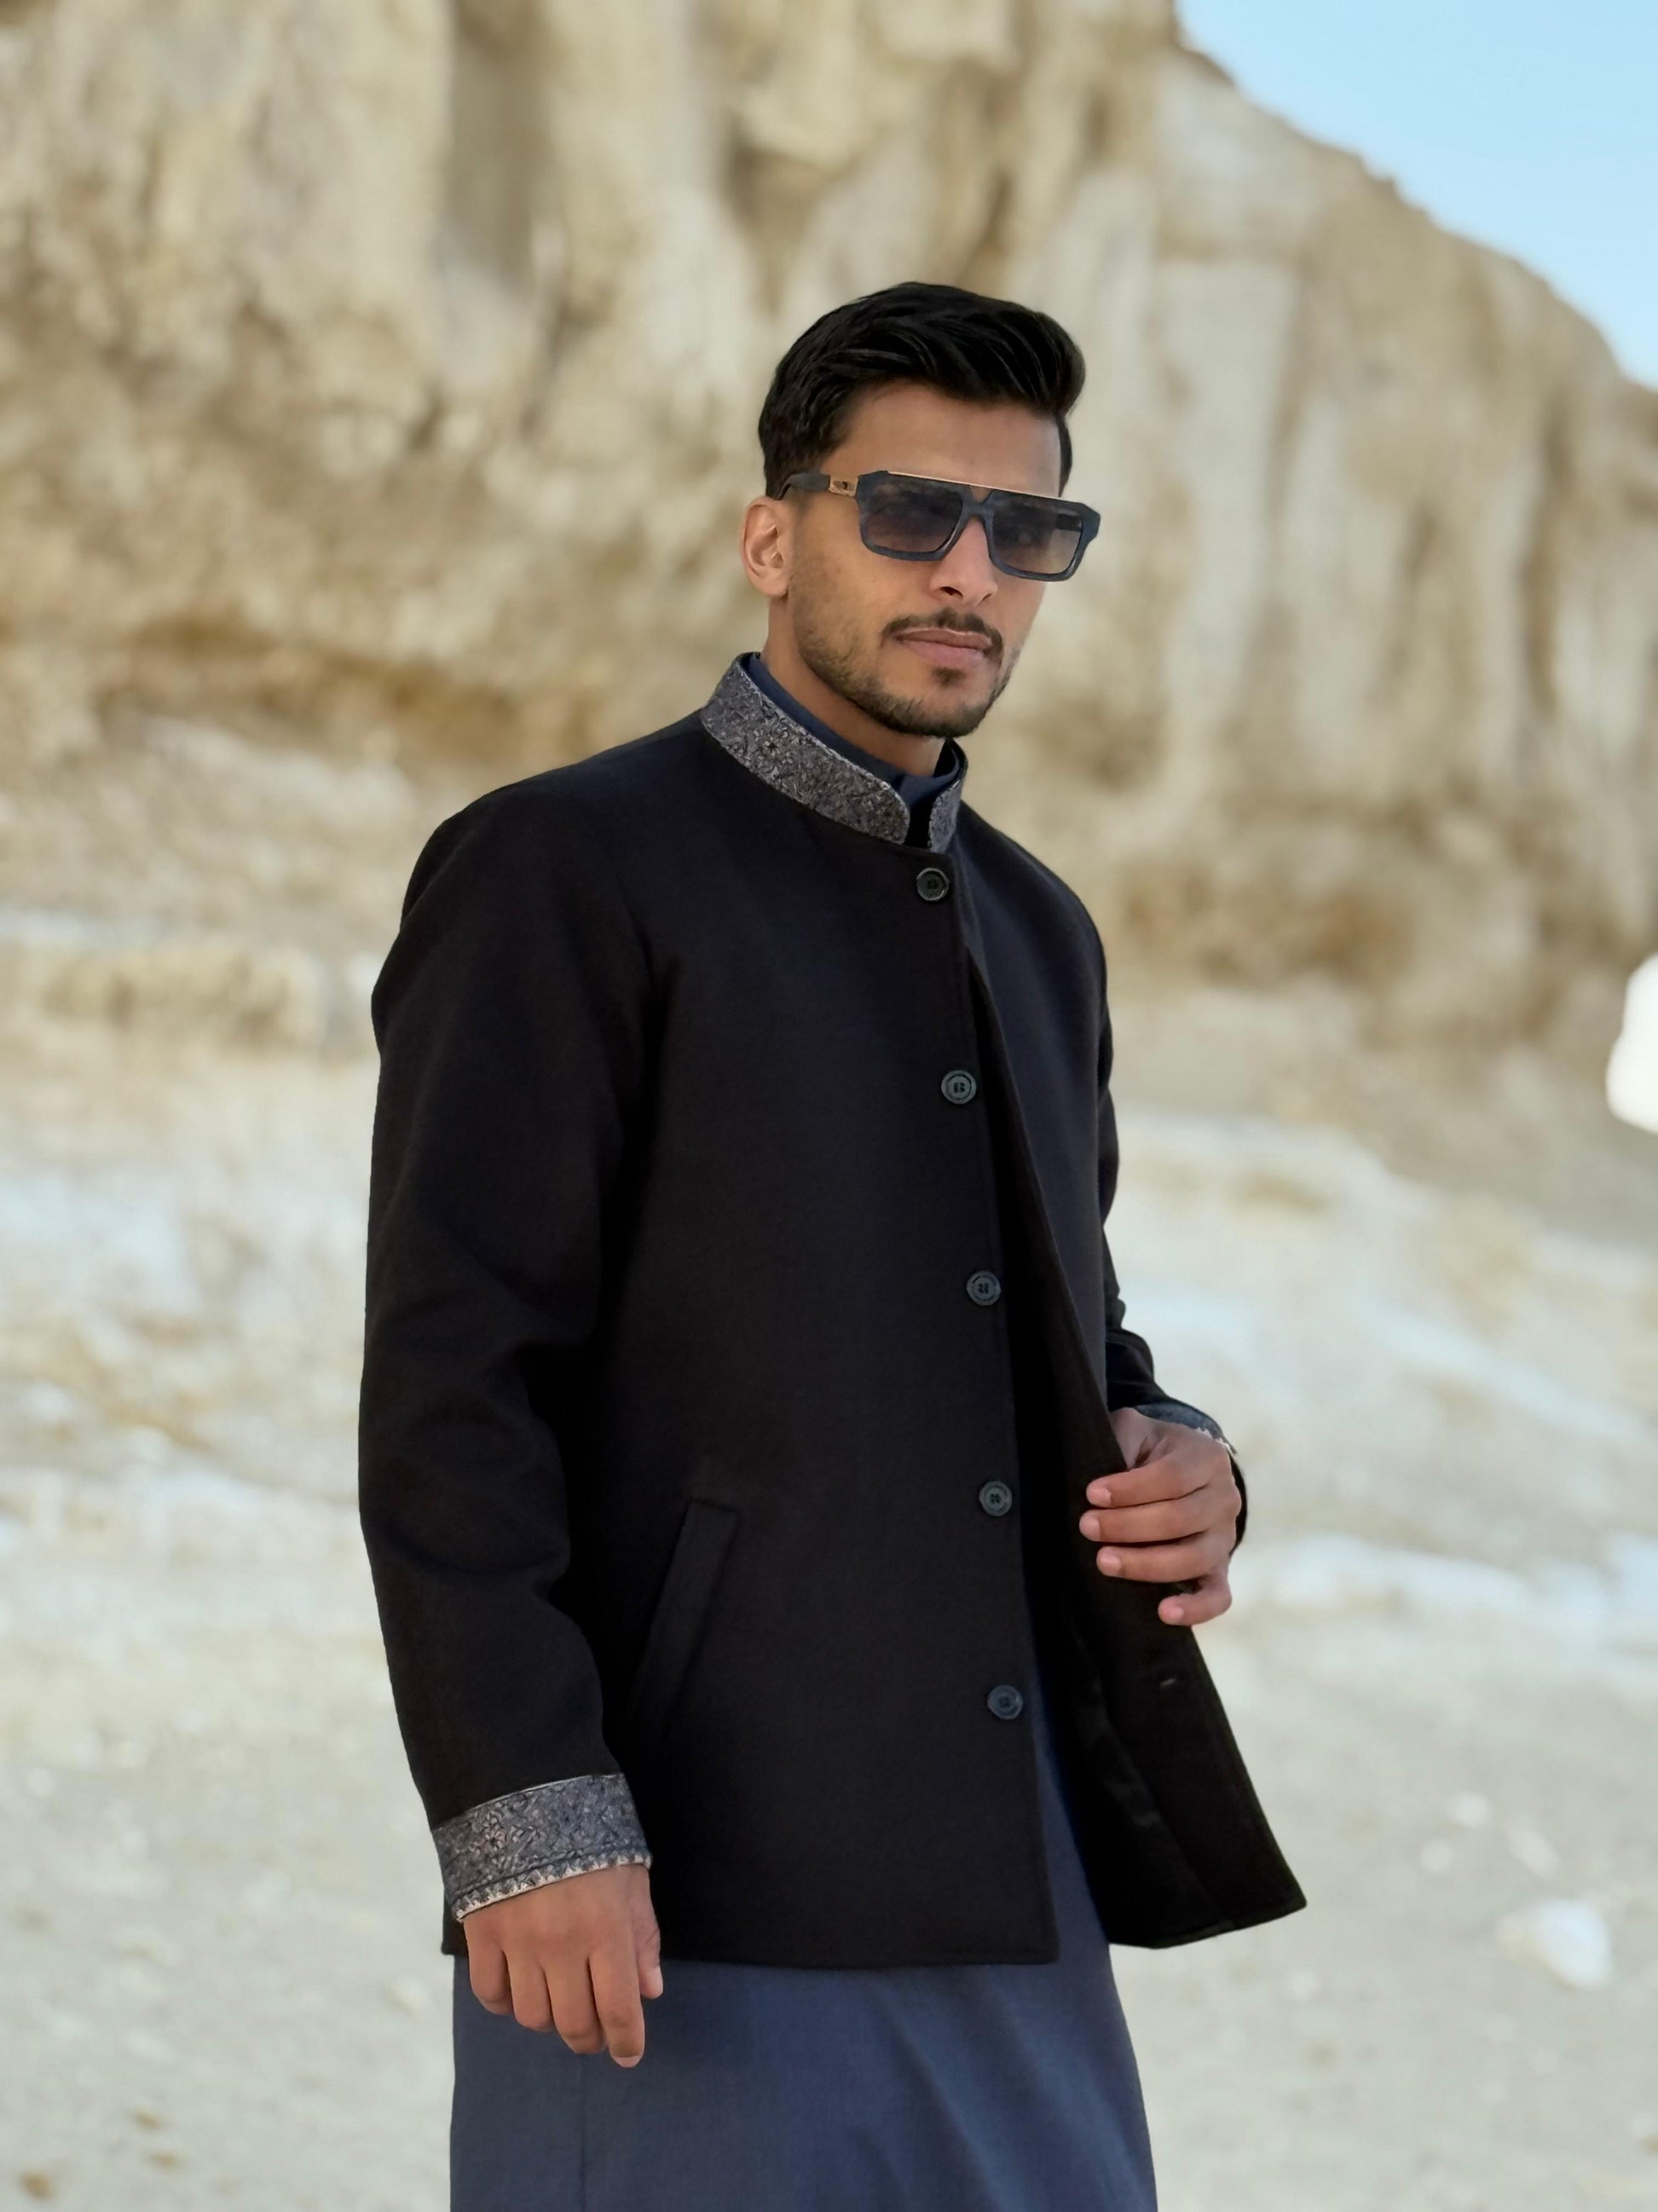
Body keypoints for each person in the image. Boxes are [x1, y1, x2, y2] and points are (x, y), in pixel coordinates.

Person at [358, 280, 1304, 2211]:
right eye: (911, 511)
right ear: (773, 537)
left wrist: (1184, 1455)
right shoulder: (562, 866)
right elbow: (456, 1384)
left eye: (1027, 529)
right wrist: (524, 1816)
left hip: (1009, 1857)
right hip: (674, 1877)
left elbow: (1072, 1336)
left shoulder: (1040, 929)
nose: (970, 570)